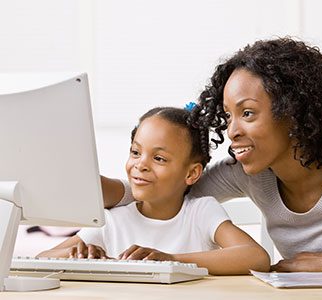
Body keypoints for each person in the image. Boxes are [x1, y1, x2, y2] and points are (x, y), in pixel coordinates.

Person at [103, 38, 322, 276]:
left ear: (294, 112)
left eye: (247, 113)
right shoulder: (249, 172)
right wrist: (94, 189)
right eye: (229, 116)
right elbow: (171, 188)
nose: (232, 131)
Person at [37, 107, 270, 275]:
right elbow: (41, 258)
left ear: (191, 174)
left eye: (158, 158)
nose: (141, 165)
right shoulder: (114, 220)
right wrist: (78, 254)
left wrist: (171, 261)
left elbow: (256, 257)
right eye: (135, 152)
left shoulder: (200, 212)